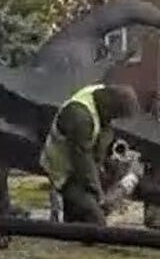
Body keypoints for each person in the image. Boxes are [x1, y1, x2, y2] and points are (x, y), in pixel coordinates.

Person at [41, 83, 144, 225]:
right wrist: (98, 194)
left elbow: (101, 139)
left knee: (90, 206)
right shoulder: (80, 117)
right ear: (111, 108)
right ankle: (77, 216)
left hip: (81, 164)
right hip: (64, 171)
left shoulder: (101, 96)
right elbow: (83, 163)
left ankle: (75, 216)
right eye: (116, 115)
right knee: (96, 219)